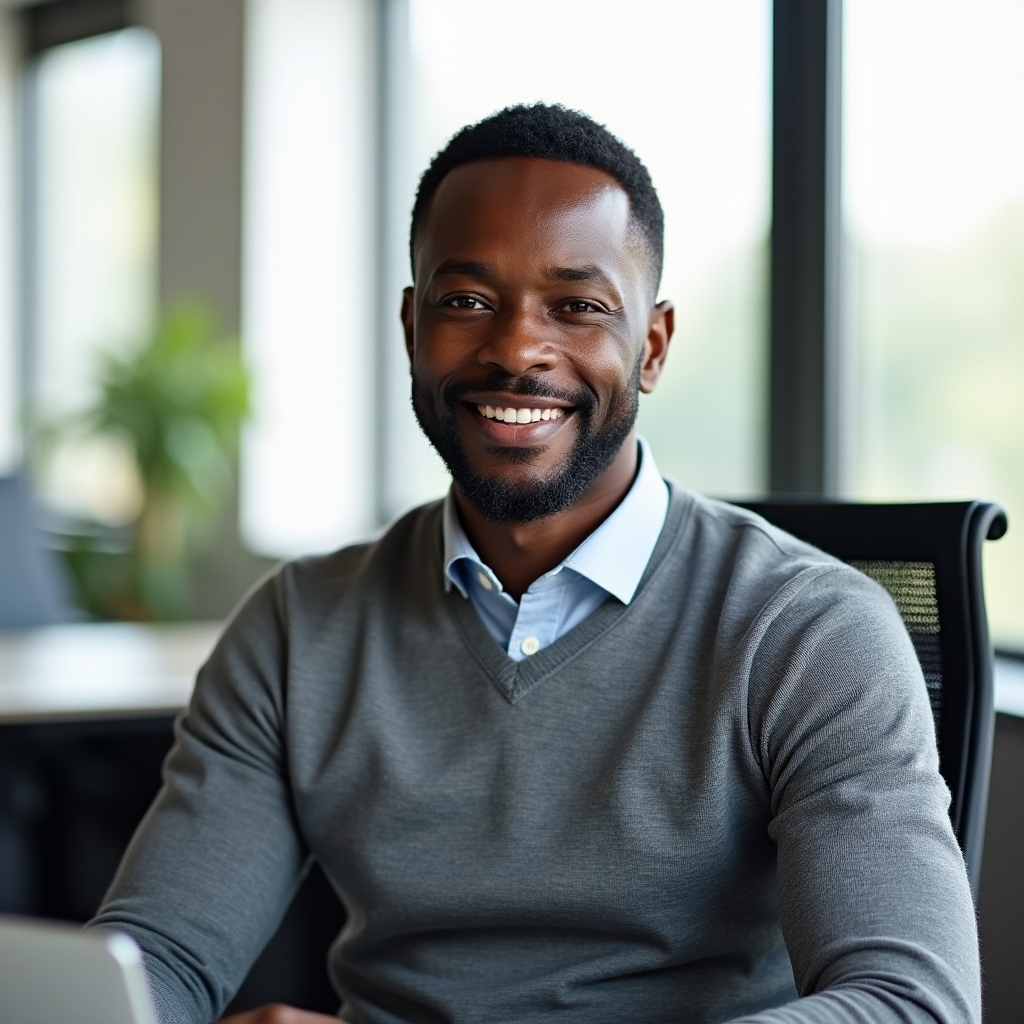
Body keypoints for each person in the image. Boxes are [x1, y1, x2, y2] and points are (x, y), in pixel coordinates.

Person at [89, 104, 980, 1024]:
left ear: (653, 348)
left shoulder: (807, 631)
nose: (516, 349)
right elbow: (162, 959)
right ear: (411, 326)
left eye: (579, 307)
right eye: (467, 301)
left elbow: (910, 1006)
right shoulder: (298, 626)